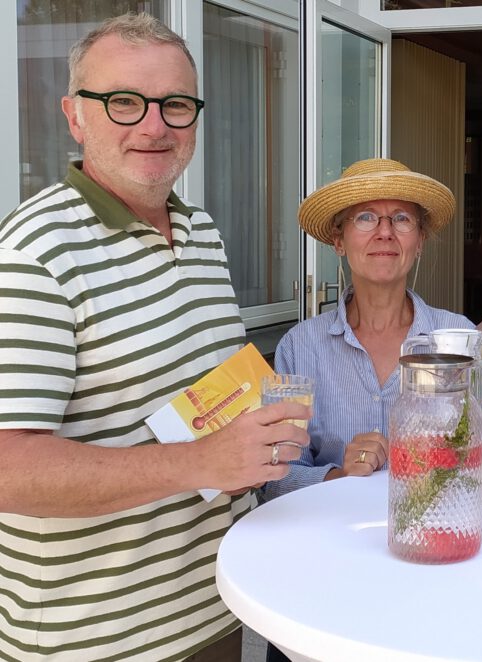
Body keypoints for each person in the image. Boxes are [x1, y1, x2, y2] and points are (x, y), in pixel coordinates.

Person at [0, 14, 310, 661]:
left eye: (174, 104)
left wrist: (250, 442)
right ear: (74, 115)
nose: (153, 126)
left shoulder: (200, 232)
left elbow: (203, 400)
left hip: (213, 617)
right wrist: (199, 463)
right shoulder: (35, 253)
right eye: (123, 102)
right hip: (92, 642)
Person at [262, 158, 475, 499]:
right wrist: (339, 476)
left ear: (419, 241)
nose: (385, 231)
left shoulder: (456, 339)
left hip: (433, 534)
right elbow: (275, 479)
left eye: (402, 219)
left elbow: (479, 459)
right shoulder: (300, 347)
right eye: (365, 217)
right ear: (339, 241)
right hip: (333, 540)